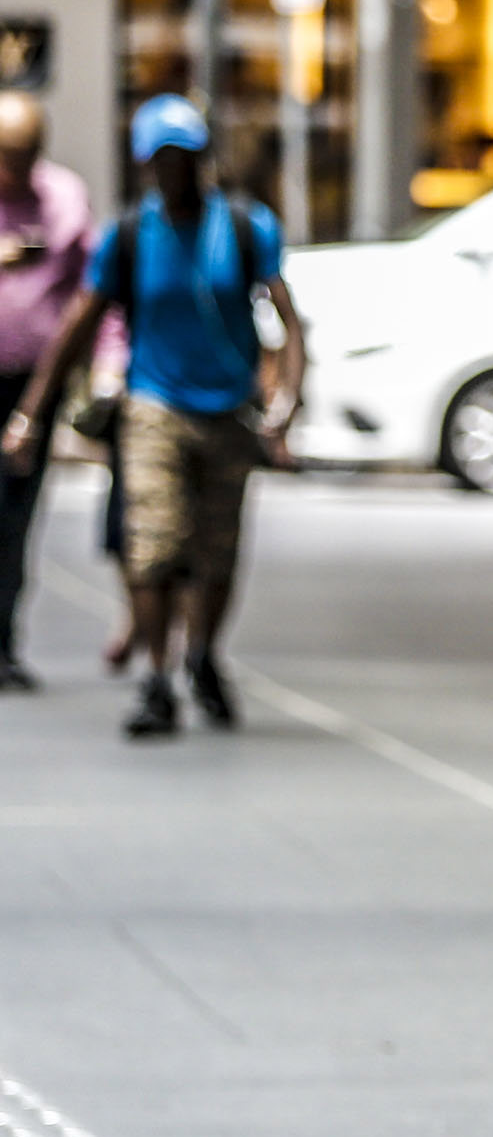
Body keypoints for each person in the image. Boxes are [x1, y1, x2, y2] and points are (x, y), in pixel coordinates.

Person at [4, 94, 302, 740]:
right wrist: (32, 412)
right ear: (146, 166)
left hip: (228, 409)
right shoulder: (131, 234)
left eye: (186, 158)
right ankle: (158, 676)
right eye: (163, 160)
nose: (176, 172)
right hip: (153, 407)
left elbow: (288, 321)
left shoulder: (248, 228)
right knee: (154, 547)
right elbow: (79, 324)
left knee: (216, 553)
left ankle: (201, 656)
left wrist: (285, 403)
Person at [0, 94, 96, 692]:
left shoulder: (62, 197)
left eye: (27, 154)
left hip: (33, 383)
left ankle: (3, 639)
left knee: (14, 516)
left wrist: (104, 367)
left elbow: (94, 291)